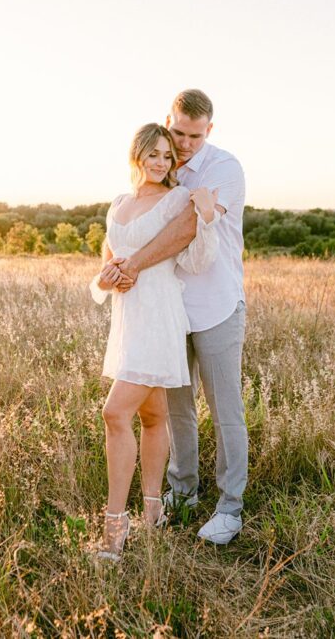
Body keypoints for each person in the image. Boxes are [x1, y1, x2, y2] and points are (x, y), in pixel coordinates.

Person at [109, 89, 247, 545]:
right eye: (177, 133)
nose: (184, 143)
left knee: (225, 411)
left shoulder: (223, 169)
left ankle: (230, 508)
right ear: (168, 122)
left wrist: (132, 265)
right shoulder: (162, 168)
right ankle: (182, 494)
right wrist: (117, 264)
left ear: (209, 129)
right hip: (169, 311)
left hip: (215, 306)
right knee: (176, 410)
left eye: (194, 135)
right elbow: (128, 228)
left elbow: (186, 229)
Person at [89, 123, 219, 561]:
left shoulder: (178, 199)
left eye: (168, 155)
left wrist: (205, 216)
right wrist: (106, 279)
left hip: (160, 316)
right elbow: (108, 262)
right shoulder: (120, 204)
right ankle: (154, 512)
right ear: (137, 156)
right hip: (128, 318)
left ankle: (114, 528)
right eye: (154, 154)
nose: (162, 162)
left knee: (114, 412)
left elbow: (197, 257)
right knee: (153, 415)